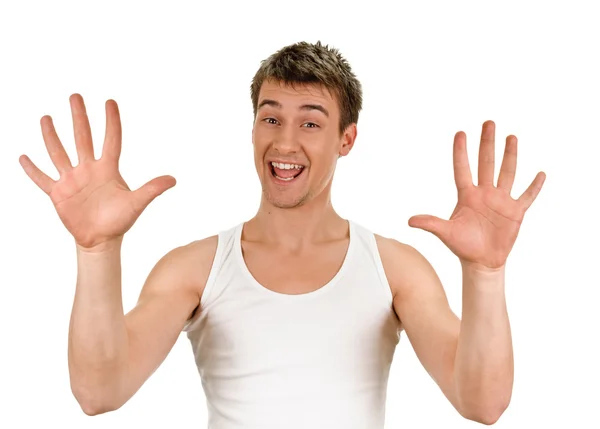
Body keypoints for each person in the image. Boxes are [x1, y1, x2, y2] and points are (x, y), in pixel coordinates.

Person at [19, 41, 545, 428]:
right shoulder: (194, 269)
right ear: (253, 128)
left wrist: (486, 273)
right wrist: (97, 250)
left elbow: (483, 404)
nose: (285, 142)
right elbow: (98, 392)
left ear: (347, 139)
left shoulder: (396, 269)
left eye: (311, 123)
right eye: (270, 119)